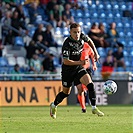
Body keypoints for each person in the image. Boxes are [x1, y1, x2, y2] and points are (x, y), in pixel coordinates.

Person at [50, 23, 104, 119]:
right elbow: (66, 61)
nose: (77, 34)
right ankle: (54, 105)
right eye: (74, 32)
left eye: (78, 32)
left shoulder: (82, 37)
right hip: (68, 71)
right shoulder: (67, 44)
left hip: (79, 68)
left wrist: (96, 53)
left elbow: (90, 41)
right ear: (70, 32)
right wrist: (80, 62)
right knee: (65, 93)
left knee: (90, 85)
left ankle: (94, 107)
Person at [75, 42, 97, 113]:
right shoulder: (74, 46)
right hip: (77, 70)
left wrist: (94, 65)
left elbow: (92, 55)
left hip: (86, 70)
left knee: (87, 87)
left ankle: (92, 105)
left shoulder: (87, 46)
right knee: (80, 90)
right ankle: (83, 108)